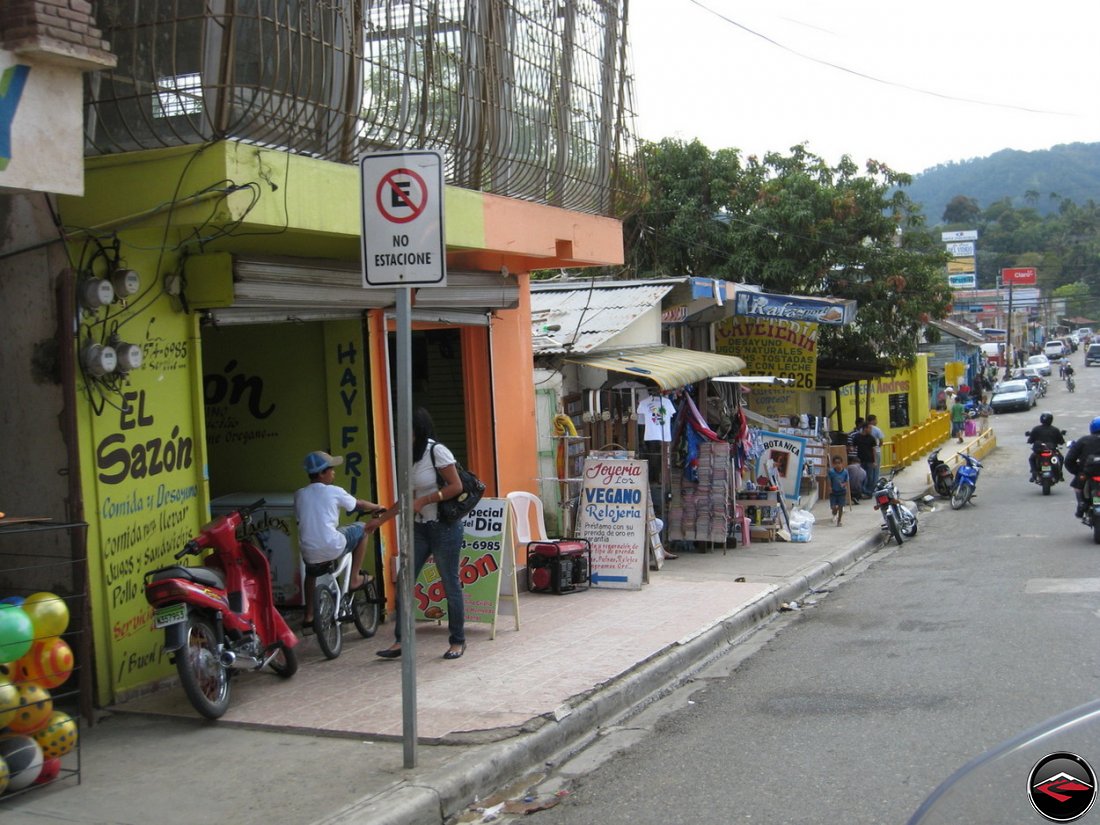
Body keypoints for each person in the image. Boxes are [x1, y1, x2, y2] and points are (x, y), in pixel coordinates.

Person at [377, 407, 467, 661]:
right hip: (419, 528)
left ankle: (457, 641)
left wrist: (427, 499)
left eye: (407, 429)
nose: (401, 434)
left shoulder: (436, 450)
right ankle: (400, 641)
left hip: (444, 527)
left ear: (418, 429)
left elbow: (456, 485)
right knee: (405, 581)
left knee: (450, 583)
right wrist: (379, 522)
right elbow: (407, 498)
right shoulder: (408, 455)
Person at [295, 451, 384, 630]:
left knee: (311, 574)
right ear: (322, 473)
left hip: (308, 551)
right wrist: (378, 507)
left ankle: (309, 615)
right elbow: (357, 504)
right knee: (361, 528)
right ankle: (355, 578)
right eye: (331, 470)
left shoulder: (299, 494)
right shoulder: (334, 491)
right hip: (332, 545)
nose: (334, 473)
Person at [1065, 417, 1100, 519]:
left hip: (1087, 473)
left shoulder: (1083, 440)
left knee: (1077, 487)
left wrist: (1078, 471)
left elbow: (1069, 460)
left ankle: (1081, 504)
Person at [1027, 412, 1066, 482]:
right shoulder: (1055, 430)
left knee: (1031, 458)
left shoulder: (1036, 429)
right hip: (1052, 451)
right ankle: (1059, 473)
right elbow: (1061, 441)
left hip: (1039, 451)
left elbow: (1030, 440)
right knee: (1061, 458)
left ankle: (1034, 472)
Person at [853, 420, 879, 498]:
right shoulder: (857, 437)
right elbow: (854, 448)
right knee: (862, 476)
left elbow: (874, 450)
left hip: (869, 460)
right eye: (869, 428)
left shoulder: (871, 438)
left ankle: (869, 492)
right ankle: (862, 491)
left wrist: (875, 461)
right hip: (860, 460)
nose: (870, 430)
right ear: (865, 428)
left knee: (870, 477)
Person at [827, 455, 849, 526]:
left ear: (842, 463)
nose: (838, 465)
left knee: (840, 507)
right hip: (833, 492)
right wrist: (830, 487)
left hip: (842, 492)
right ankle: (834, 512)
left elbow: (847, 481)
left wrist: (844, 485)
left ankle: (839, 521)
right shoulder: (831, 472)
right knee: (833, 507)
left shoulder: (845, 472)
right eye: (836, 463)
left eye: (839, 463)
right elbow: (829, 480)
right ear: (833, 464)